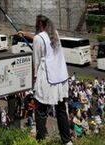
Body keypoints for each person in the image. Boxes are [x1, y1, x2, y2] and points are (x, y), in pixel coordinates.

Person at [18, 15, 71, 145]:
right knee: (61, 110)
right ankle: (67, 141)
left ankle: (41, 139)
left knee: (40, 111)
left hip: (47, 79)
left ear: (40, 24)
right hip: (61, 78)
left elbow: (36, 61)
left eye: (36, 24)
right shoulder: (55, 34)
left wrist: (34, 78)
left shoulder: (38, 39)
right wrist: (25, 34)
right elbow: (41, 38)